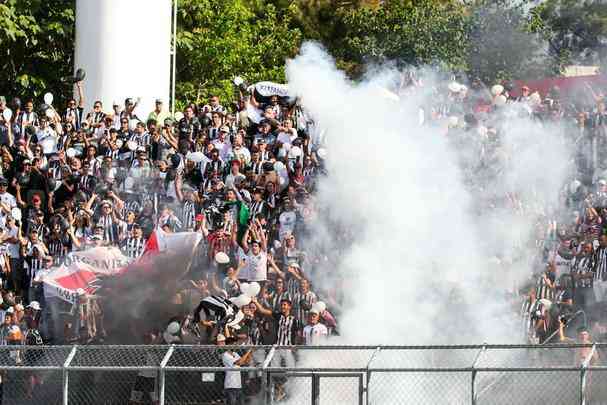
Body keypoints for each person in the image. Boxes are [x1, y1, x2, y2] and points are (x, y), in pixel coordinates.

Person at [218, 334, 253, 405]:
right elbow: (239, 362)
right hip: (230, 386)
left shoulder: (235, 354)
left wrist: (250, 351)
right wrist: (248, 352)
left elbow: (246, 362)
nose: (235, 345)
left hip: (238, 386)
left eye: (235, 344)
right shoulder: (225, 355)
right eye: (233, 344)